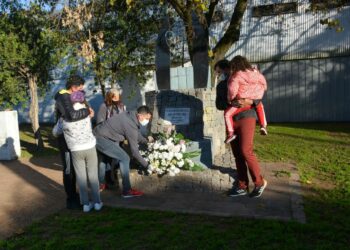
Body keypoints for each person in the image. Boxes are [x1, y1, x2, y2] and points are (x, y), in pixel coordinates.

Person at [220, 56, 267, 198]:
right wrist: (231, 102)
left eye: (221, 70)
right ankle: (242, 185)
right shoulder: (222, 84)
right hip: (232, 118)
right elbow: (219, 104)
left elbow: (259, 97)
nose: (221, 73)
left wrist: (249, 101)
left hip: (247, 116)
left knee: (246, 150)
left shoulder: (247, 77)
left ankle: (259, 182)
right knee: (237, 155)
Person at [94, 105, 153, 198]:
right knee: (125, 158)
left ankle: (100, 184)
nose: (147, 121)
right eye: (147, 118)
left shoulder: (131, 116)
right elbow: (134, 152)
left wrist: (147, 140)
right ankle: (127, 191)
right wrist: (147, 165)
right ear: (140, 116)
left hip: (99, 135)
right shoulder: (130, 124)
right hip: (102, 138)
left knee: (105, 159)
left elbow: (136, 135)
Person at [54, 74, 94, 209]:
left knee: (76, 169)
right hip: (66, 140)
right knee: (69, 169)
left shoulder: (73, 95)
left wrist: (87, 111)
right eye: (80, 89)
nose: (81, 92)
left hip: (76, 140)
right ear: (73, 87)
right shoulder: (63, 96)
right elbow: (71, 115)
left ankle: (76, 195)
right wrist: (87, 112)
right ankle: (71, 199)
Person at [62, 90, 103, 212]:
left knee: (81, 178)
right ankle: (97, 202)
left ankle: (85, 204)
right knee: (93, 176)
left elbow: (55, 131)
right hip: (89, 146)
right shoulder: (88, 112)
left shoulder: (66, 115)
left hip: (75, 149)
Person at [224, 55, 268, 144]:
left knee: (227, 114)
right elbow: (264, 84)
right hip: (256, 99)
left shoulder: (236, 75)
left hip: (242, 100)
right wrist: (259, 94)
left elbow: (232, 90)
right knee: (260, 108)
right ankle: (263, 125)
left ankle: (230, 133)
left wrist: (231, 99)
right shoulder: (256, 73)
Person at [96, 89, 126, 191]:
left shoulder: (121, 106)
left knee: (115, 160)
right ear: (110, 97)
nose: (117, 99)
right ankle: (102, 182)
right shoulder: (104, 106)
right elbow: (100, 123)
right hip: (106, 138)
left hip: (118, 138)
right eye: (115, 97)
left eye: (118, 96)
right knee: (104, 161)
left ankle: (112, 180)